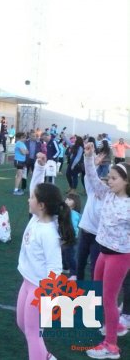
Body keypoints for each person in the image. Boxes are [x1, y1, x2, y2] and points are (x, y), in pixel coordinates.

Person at [17, 152, 75, 360]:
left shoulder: (49, 233)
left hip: (40, 288)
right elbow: (35, 187)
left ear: (41, 205)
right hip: (27, 281)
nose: (29, 198)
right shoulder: (35, 218)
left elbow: (55, 267)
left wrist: (48, 293)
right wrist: (40, 168)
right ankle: (47, 357)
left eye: (32, 197)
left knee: (32, 333)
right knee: (23, 325)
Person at [84, 143, 130, 359]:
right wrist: (88, 156)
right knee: (100, 292)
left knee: (109, 298)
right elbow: (93, 179)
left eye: (113, 178)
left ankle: (110, 346)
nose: (108, 181)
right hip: (104, 252)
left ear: (126, 182)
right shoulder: (108, 195)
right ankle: (116, 326)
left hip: (119, 256)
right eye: (109, 177)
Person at [76, 153, 105, 281]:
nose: (99, 186)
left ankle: (94, 296)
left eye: (103, 185)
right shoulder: (92, 191)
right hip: (84, 233)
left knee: (95, 268)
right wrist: (94, 163)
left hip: (97, 238)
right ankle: (77, 291)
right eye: (99, 183)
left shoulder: (108, 199)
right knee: (79, 265)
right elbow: (89, 176)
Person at [61, 191, 82, 280]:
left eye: (69, 199)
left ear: (75, 203)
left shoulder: (73, 214)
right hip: (66, 236)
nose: (66, 200)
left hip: (70, 237)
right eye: (66, 199)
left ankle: (74, 273)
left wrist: (67, 237)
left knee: (69, 255)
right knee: (64, 253)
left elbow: (72, 226)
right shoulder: (66, 211)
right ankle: (65, 268)